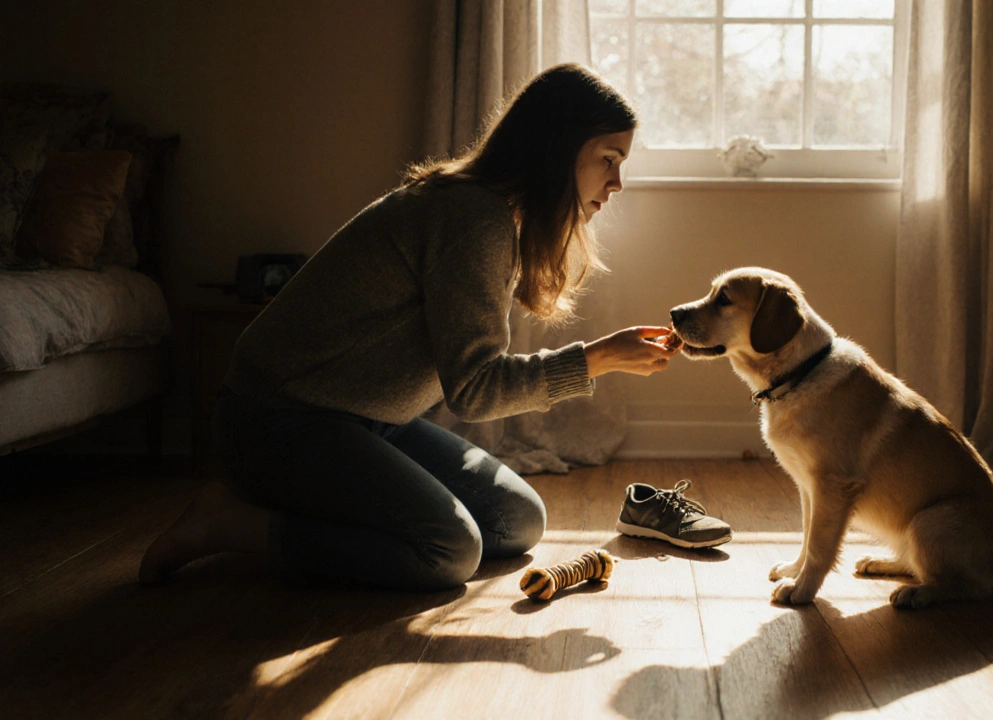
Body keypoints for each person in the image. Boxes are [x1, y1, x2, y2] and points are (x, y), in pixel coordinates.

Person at [140, 63, 676, 590]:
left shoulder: (493, 212)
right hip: (278, 421)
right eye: (609, 159)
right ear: (558, 148)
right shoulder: (474, 219)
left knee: (517, 520)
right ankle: (230, 523)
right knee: (448, 550)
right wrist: (596, 359)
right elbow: (474, 390)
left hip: (371, 418)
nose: (617, 183)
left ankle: (327, 513)